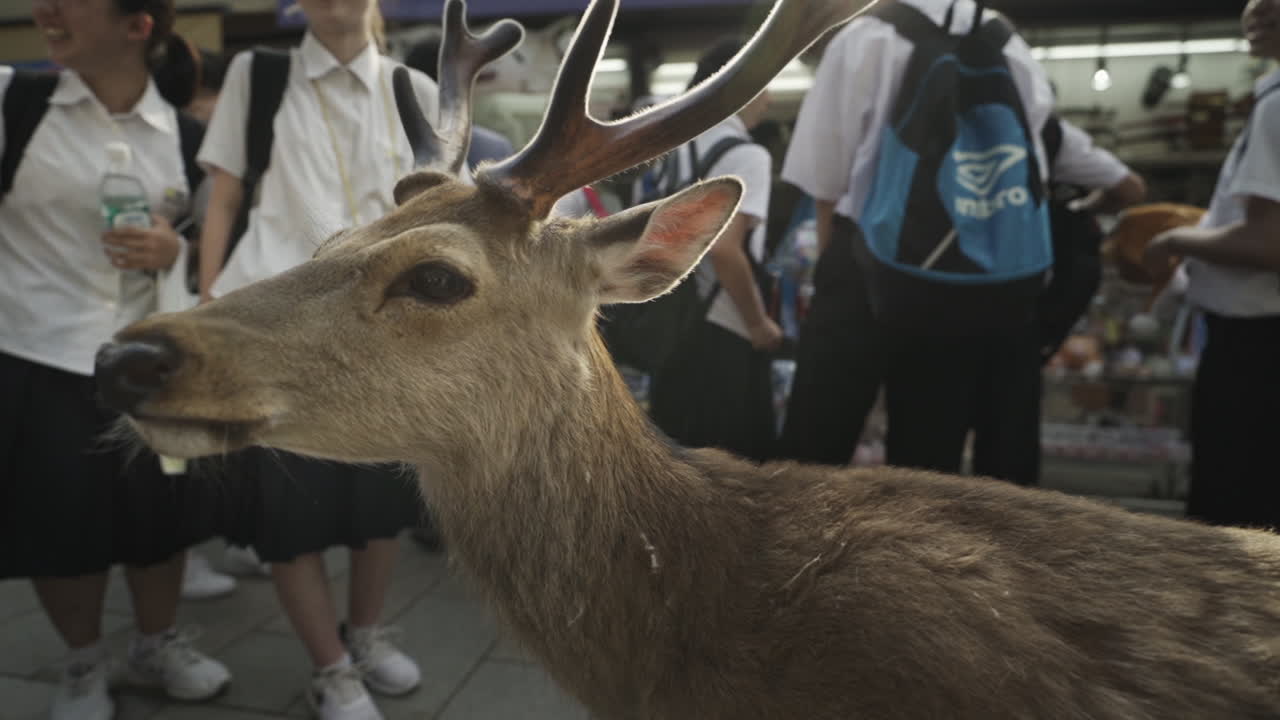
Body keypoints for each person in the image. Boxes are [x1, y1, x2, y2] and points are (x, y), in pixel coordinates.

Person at [195, 0, 430, 717]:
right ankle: (330, 668)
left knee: (380, 506)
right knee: (288, 515)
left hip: (383, 343)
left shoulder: (415, 90)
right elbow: (225, 197)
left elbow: (439, 215)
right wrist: (208, 301)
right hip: (277, 335)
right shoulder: (257, 75)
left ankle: (363, 635)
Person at [0, 0, 233, 718]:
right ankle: (80, 666)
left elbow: (213, 248)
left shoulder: (188, 137)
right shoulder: (17, 102)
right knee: (62, 530)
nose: (45, 10)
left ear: (137, 27)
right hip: (38, 354)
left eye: (71, 0)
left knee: (157, 523)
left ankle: (156, 642)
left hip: (148, 364)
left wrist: (177, 250)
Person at [776, 0, 1048, 473]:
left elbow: (825, 180)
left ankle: (803, 549)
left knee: (812, 456)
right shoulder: (1012, 45)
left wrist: (832, 275)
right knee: (927, 466)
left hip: (860, 263)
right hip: (959, 273)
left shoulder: (865, 38)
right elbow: (1032, 167)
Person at [1143, 0, 1280, 530]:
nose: (1258, 7)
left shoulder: (1276, 104)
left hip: (1256, 352)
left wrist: (1176, 238)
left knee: (1235, 527)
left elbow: (1269, 243)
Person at [970, 115, 1145, 486]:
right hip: (1023, 306)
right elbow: (1130, 189)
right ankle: (1001, 532)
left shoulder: (945, 130)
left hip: (945, 295)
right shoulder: (1053, 135)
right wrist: (1076, 210)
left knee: (930, 443)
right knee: (1007, 439)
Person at [646, 39, 784, 461]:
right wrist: (759, 324)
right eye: (763, 83)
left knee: (676, 467)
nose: (769, 96)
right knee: (740, 477)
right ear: (744, 88)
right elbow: (726, 251)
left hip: (670, 330)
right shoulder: (747, 155)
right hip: (726, 333)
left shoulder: (669, 154)